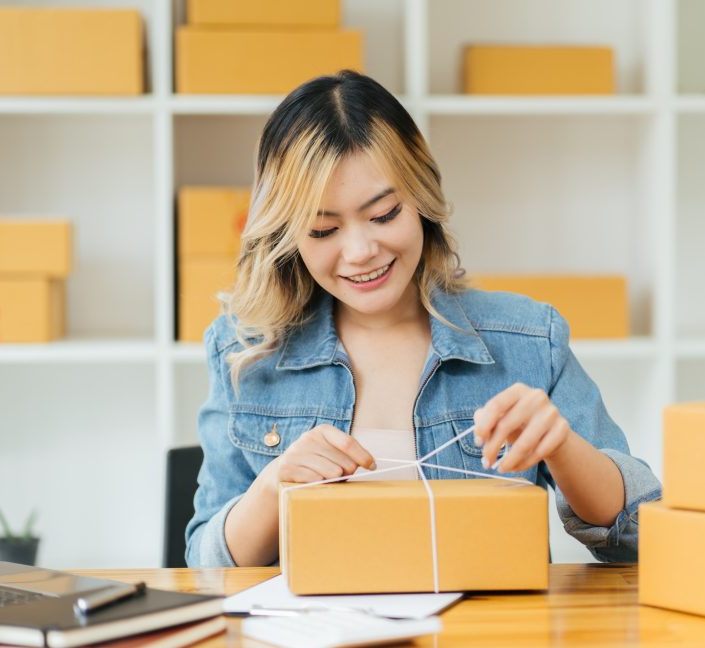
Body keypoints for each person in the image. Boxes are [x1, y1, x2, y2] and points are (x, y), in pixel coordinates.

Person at [185, 70, 662, 568]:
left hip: (482, 643)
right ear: (287, 235)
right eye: (323, 229)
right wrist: (271, 489)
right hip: (313, 645)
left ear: (422, 200)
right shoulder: (244, 351)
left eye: (385, 214)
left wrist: (563, 447)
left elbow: (643, 537)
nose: (360, 251)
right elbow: (204, 566)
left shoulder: (526, 339)